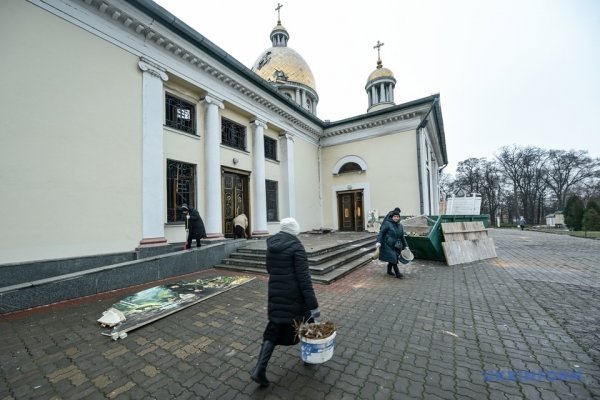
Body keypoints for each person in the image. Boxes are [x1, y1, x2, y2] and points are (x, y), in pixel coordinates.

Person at [251, 217, 320, 388]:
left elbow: (269, 269)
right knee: (306, 321)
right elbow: (304, 279)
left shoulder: (272, 244)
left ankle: (259, 369)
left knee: (273, 329)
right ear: (294, 230)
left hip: (275, 291)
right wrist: (313, 304)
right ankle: (309, 357)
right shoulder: (297, 247)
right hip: (294, 295)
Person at [376, 209, 408, 279]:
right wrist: (378, 242)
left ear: (399, 217)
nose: (396, 218)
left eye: (397, 216)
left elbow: (402, 237)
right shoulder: (387, 223)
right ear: (392, 217)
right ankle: (398, 273)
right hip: (387, 244)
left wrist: (406, 246)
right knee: (393, 257)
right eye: (395, 216)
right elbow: (381, 233)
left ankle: (389, 271)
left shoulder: (400, 226)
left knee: (394, 257)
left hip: (396, 245)